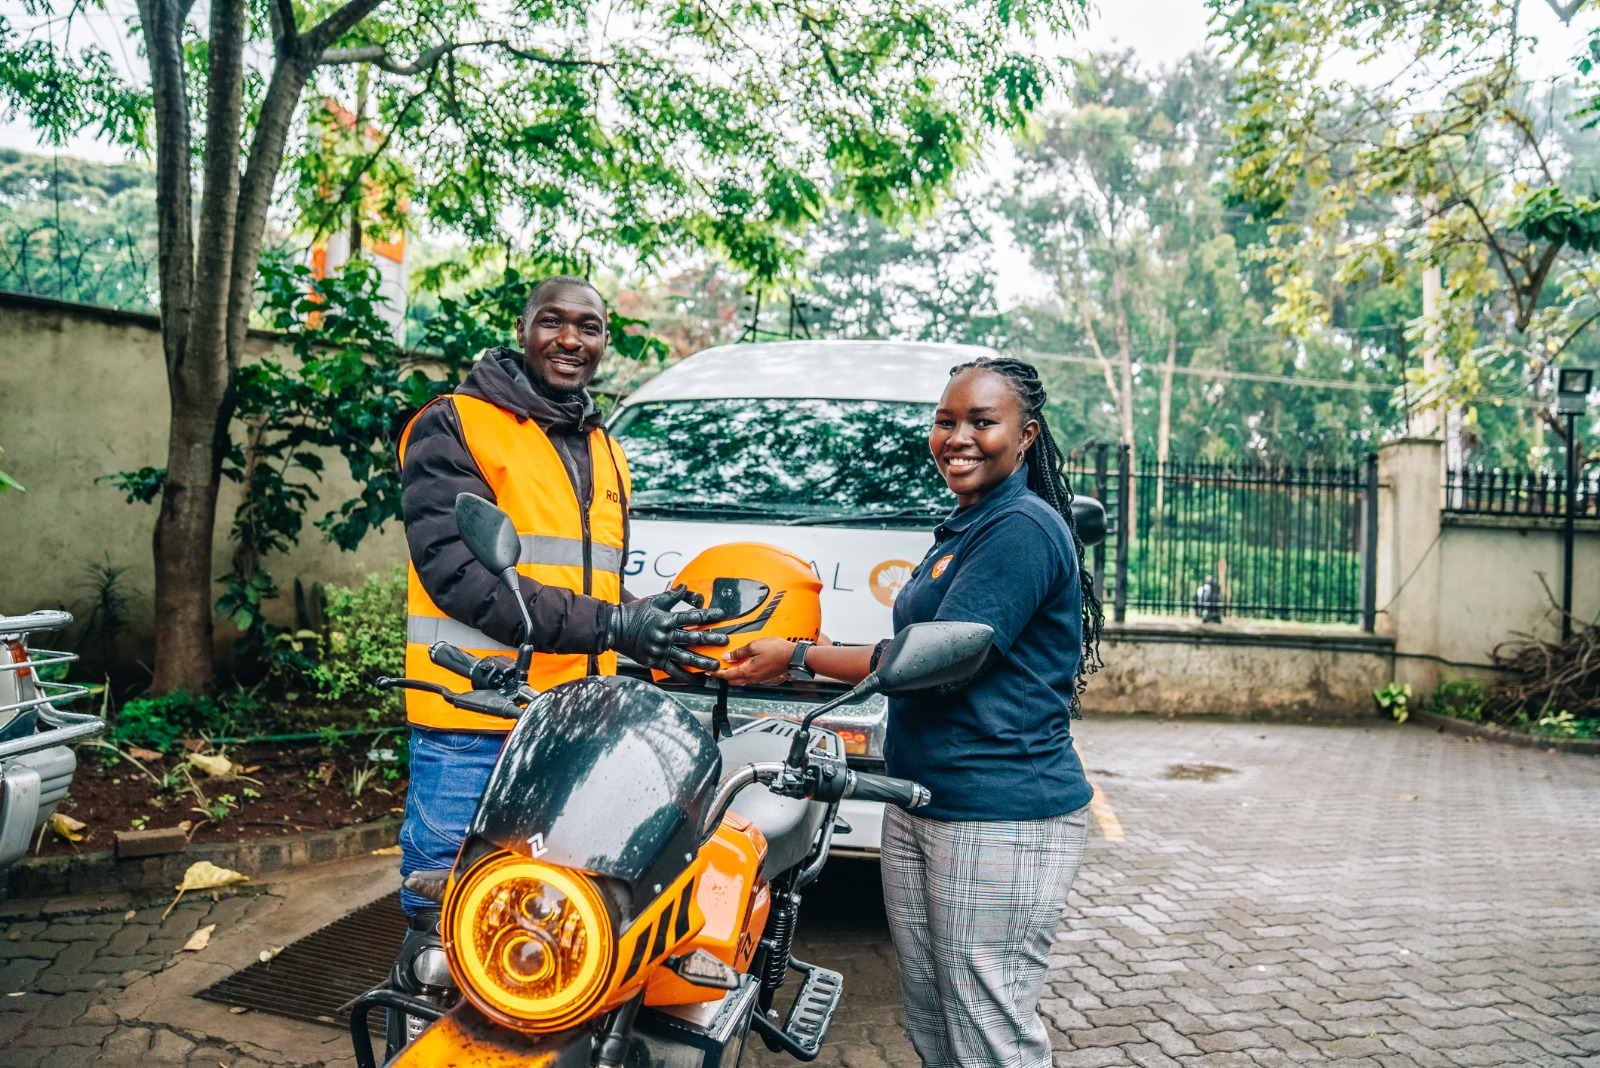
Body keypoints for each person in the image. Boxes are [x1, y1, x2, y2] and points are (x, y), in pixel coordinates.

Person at [716, 357, 1104, 1068]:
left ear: (1026, 436)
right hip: (925, 802)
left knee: (989, 1032)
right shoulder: (969, 523)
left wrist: (801, 657)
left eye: (983, 422)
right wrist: (827, 655)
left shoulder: (1020, 529)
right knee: (933, 1023)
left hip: (1000, 816)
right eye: (946, 420)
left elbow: (939, 661)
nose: (958, 437)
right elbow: (912, 648)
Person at [395, 274, 726, 923]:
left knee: (547, 921)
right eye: (553, 321)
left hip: (574, 728)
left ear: (605, 340)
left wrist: (651, 617)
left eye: (589, 327)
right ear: (522, 331)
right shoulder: (454, 424)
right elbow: (462, 575)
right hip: (474, 724)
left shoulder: (603, 446)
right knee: (446, 919)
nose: (570, 339)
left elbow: (585, 581)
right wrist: (616, 626)